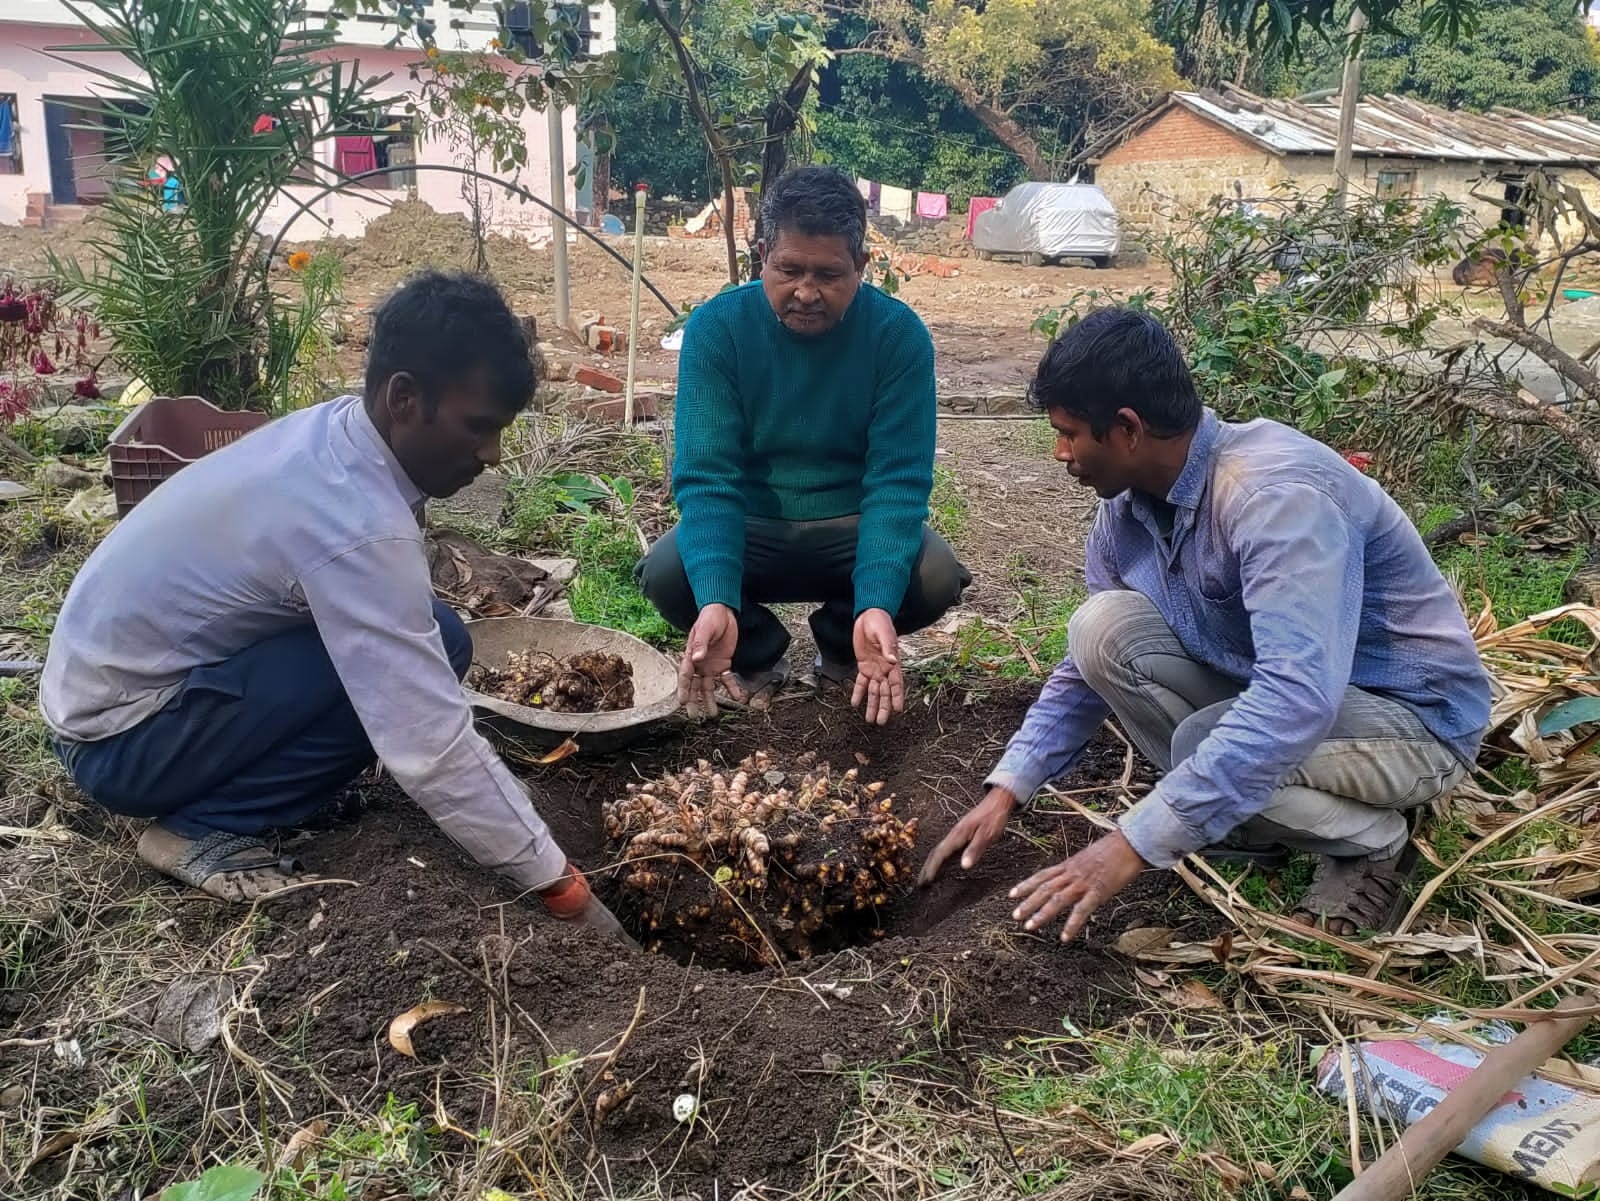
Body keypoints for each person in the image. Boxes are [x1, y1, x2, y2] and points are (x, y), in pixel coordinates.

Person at [39, 270, 628, 941]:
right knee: (398, 680)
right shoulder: (353, 521)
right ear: (404, 397)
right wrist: (560, 885)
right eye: (477, 426)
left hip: (127, 695)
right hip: (121, 743)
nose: (490, 454)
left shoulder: (339, 436)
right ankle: (202, 826)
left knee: (442, 637)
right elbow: (429, 744)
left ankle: (246, 786)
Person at [919, 308, 1491, 940]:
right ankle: (1238, 816)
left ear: (1128, 430)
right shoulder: (1130, 507)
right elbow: (1084, 673)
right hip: (1305, 695)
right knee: (1100, 628)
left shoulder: (1274, 497)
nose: (1059, 454)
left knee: (1201, 747)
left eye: (1069, 434)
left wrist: (1130, 845)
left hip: (1411, 723)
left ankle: (1377, 839)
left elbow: (1295, 700)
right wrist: (1009, 787)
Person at [636, 165, 971, 726]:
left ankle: (846, 642)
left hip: (851, 525)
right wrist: (716, 595)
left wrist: (877, 603)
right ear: (761, 254)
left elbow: (898, 485)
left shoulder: (898, 337)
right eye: (789, 270)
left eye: (830, 274)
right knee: (670, 574)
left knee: (934, 573)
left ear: (862, 267)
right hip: (754, 526)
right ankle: (756, 651)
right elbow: (708, 477)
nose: (807, 292)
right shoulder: (717, 329)